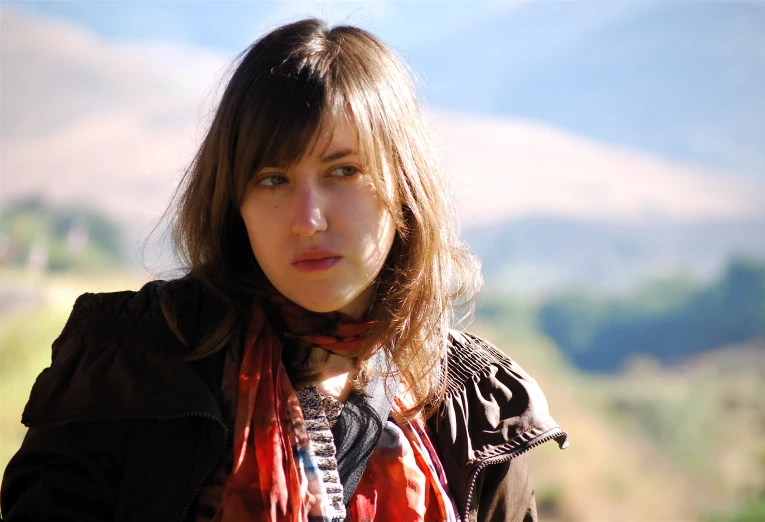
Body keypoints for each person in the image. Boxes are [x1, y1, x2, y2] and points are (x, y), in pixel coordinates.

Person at [0, 18, 567, 522]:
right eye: (272, 179)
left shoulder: (472, 413)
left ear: (403, 186)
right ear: (234, 203)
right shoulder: (134, 364)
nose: (307, 220)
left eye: (343, 171)